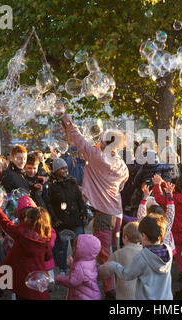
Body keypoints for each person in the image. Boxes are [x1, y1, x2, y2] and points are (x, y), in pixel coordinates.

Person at [62, 113, 129, 299]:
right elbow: (125, 179)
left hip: (103, 214)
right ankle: (117, 283)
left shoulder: (98, 156)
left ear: (106, 143)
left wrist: (69, 122)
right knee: (115, 250)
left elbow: (79, 141)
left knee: (105, 253)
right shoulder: (121, 164)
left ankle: (109, 289)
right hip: (118, 212)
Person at [0, 194, 53, 300]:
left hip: (22, 277)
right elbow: (48, 256)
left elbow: (6, 224)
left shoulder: (20, 233)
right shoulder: (45, 239)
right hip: (37, 277)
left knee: (22, 295)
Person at [103, 214, 173, 300]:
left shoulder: (142, 257)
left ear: (143, 236)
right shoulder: (168, 251)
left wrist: (113, 265)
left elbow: (126, 275)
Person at [152, 173, 182, 299]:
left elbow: (161, 199)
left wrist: (156, 185)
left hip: (179, 236)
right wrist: (162, 182)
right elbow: (170, 193)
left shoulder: (177, 199)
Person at [45, 158, 88, 275]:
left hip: (76, 220)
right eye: (61, 168)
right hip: (62, 222)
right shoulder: (51, 186)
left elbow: (80, 200)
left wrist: (83, 212)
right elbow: (49, 205)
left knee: (78, 246)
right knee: (62, 248)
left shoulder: (72, 183)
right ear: (56, 170)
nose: (64, 170)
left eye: (65, 168)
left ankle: (79, 268)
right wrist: (54, 219)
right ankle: (63, 269)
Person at [98, 222, 142, 300]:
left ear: (125, 237)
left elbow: (104, 272)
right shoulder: (145, 253)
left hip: (124, 296)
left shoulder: (118, 254)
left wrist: (96, 271)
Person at [55, 234, 102, 300]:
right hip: (91, 294)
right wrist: (72, 263)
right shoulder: (90, 260)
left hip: (83, 297)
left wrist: (58, 278)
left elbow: (72, 281)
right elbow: (80, 274)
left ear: (84, 250)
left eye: (76, 248)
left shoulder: (80, 266)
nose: (74, 249)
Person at [138, 181, 175, 254]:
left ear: (148, 210)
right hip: (166, 251)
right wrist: (169, 194)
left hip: (149, 251)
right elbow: (171, 211)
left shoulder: (145, 223)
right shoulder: (166, 223)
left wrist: (145, 198)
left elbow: (140, 215)